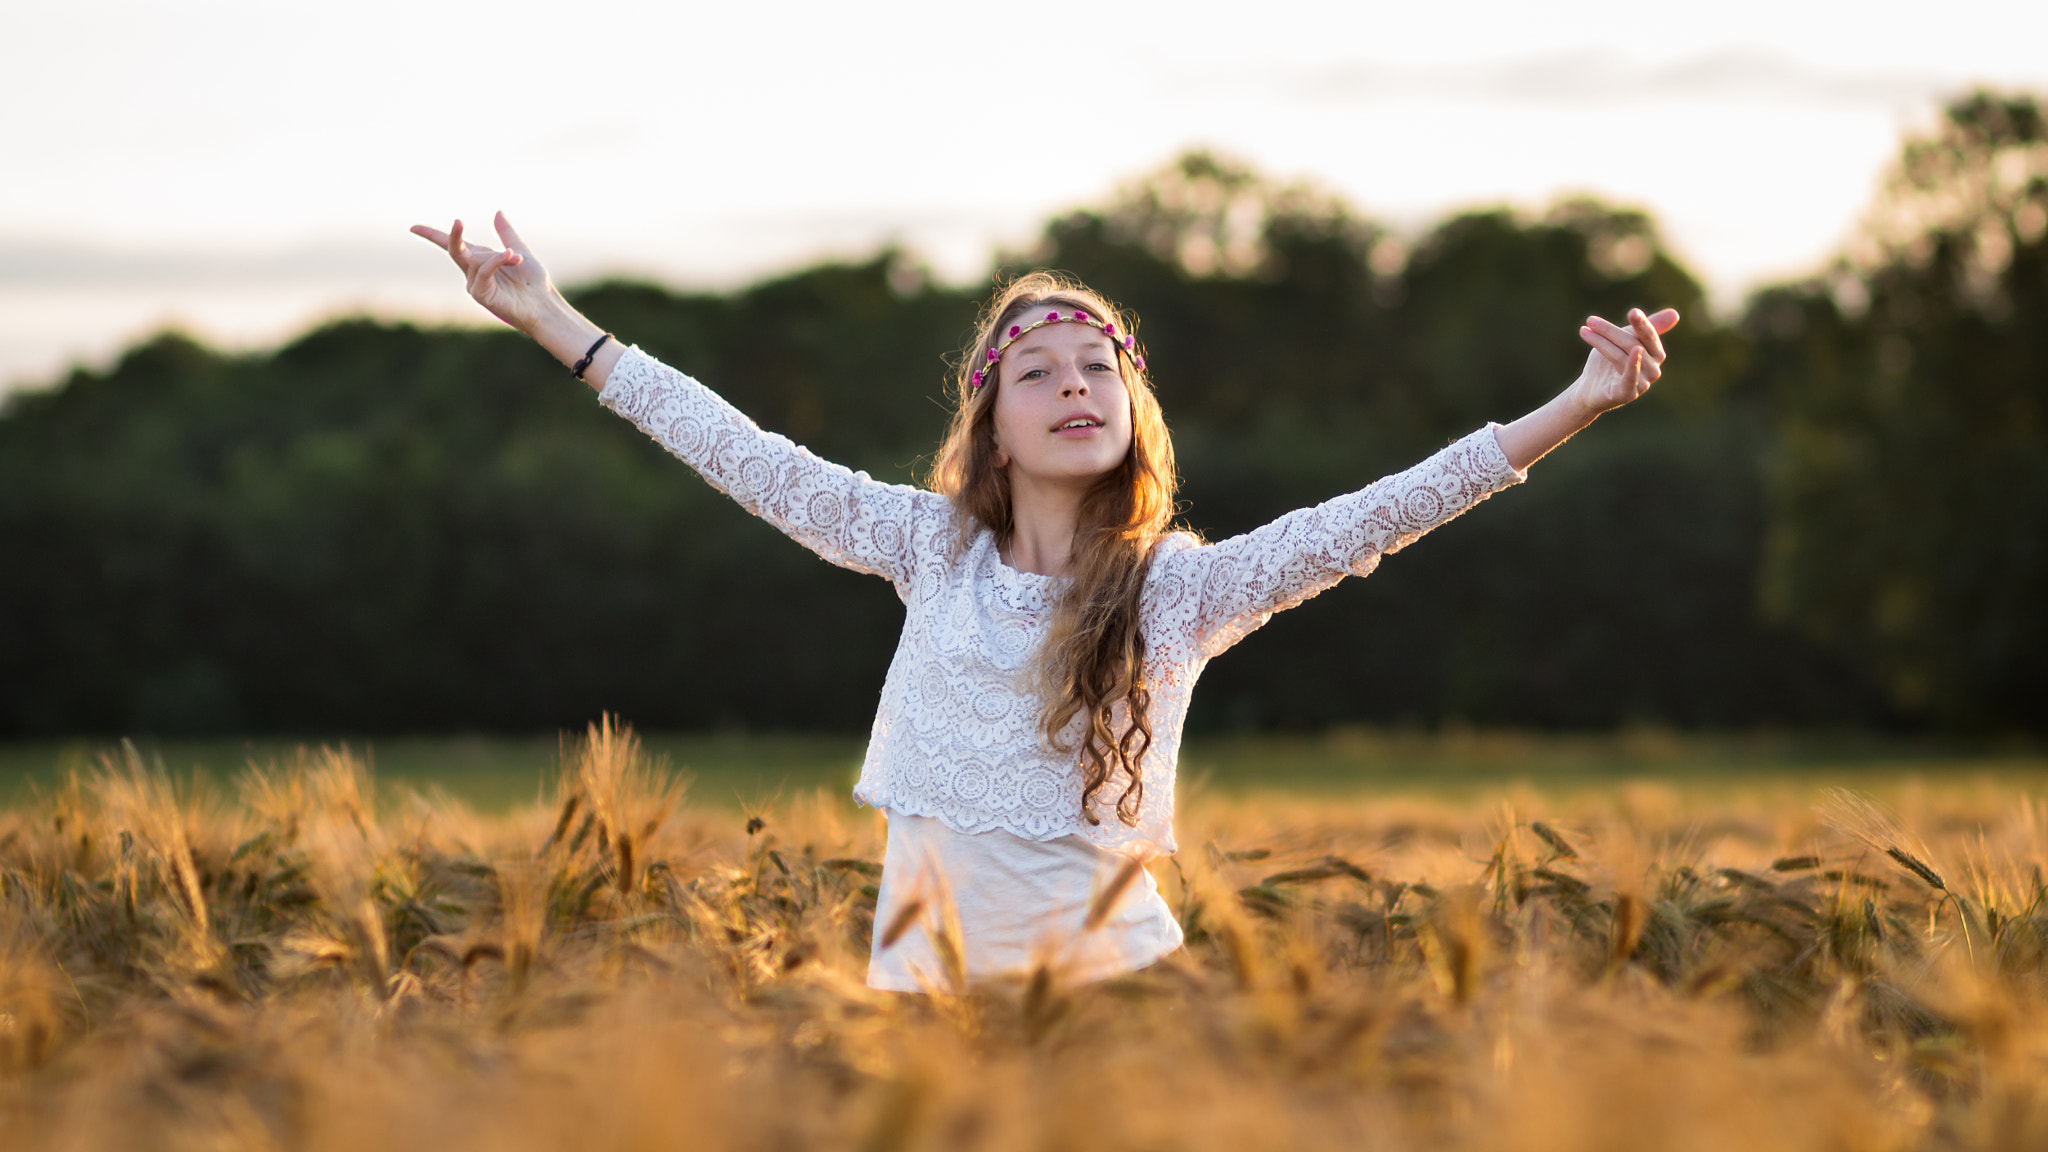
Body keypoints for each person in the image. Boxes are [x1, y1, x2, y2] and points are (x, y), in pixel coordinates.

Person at [412, 212, 1678, 992]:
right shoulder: (923, 549)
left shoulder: (1179, 591)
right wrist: (555, 323)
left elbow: (1375, 517)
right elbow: (744, 454)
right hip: (920, 991)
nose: (1073, 387)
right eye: (1035, 373)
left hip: (1112, 999)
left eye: (1096, 370)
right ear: (992, 425)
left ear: (1130, 412)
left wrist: (1573, 406)